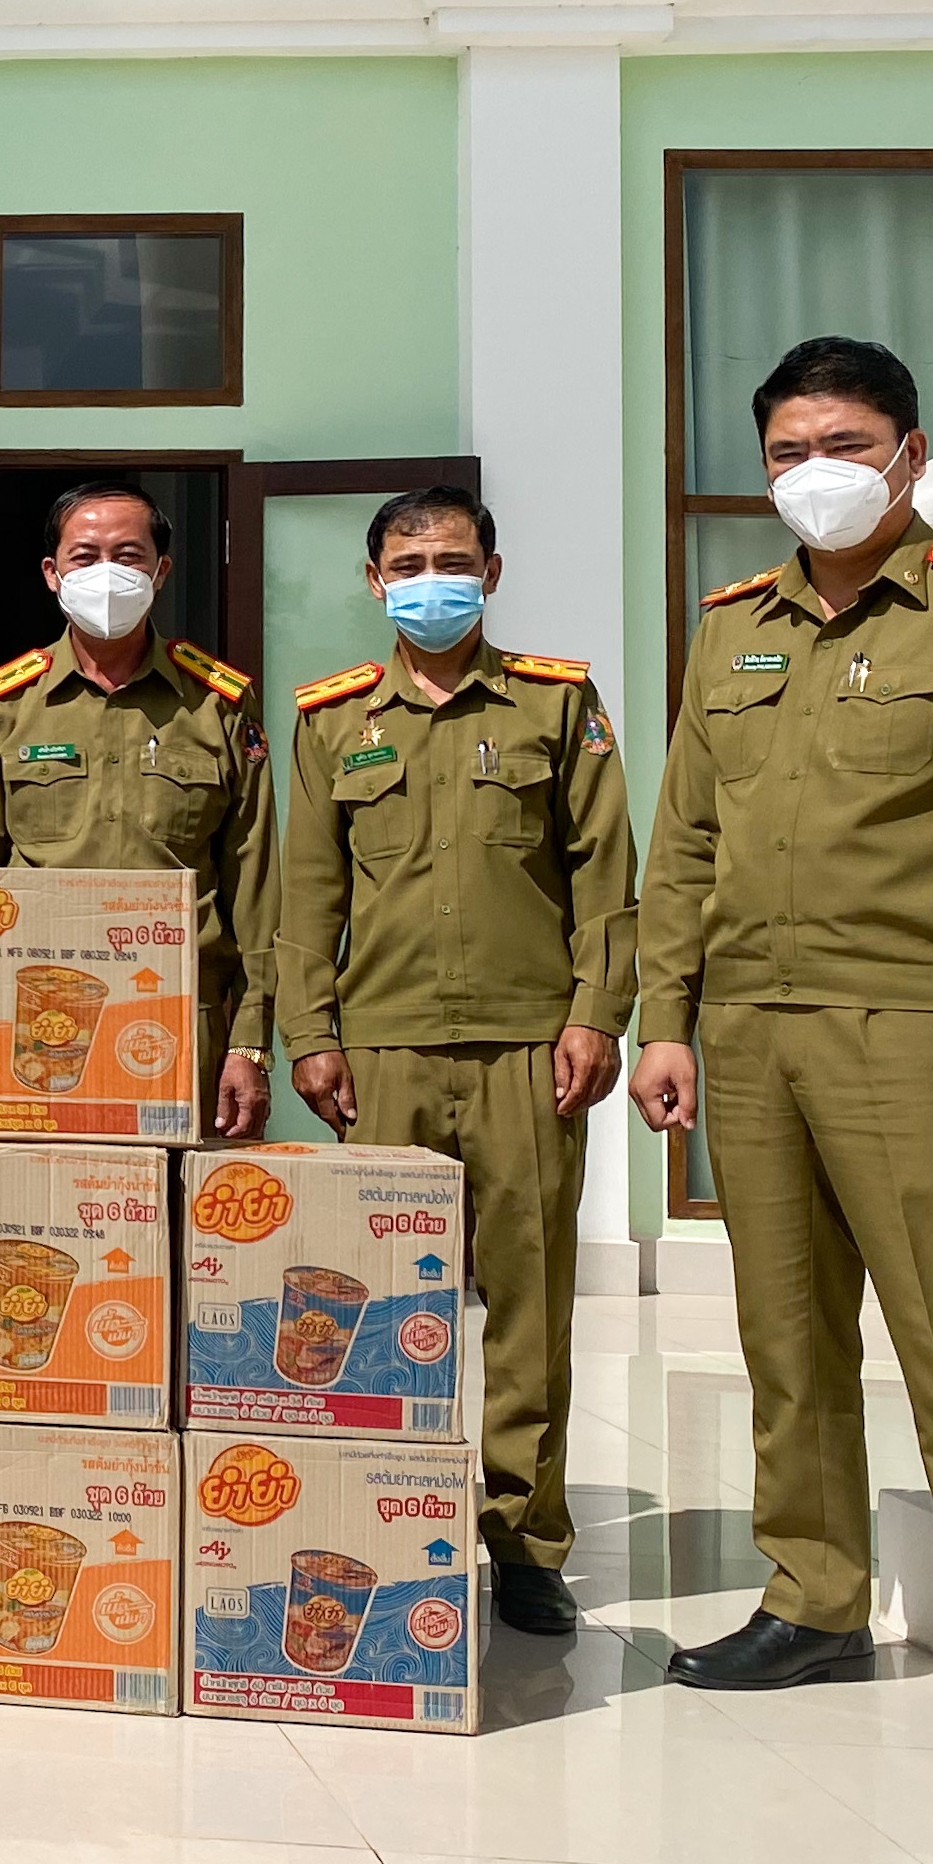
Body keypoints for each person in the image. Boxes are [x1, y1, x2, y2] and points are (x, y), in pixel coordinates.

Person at [628, 335, 933, 1764]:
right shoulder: (733, 626)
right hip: (750, 1029)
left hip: (913, 1023)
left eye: (845, 445)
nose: (814, 472)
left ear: (910, 454)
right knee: (785, 1336)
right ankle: (813, 1597)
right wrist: (663, 1013)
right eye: (788, 451)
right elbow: (684, 837)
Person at [276, 485, 636, 1638]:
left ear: (492, 572)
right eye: (409, 563)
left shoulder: (556, 704)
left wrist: (598, 1014)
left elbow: (604, 876)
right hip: (382, 1050)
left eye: (454, 560)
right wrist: (310, 1034)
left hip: (530, 1048)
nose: (432, 580)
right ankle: (387, 1523)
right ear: (375, 582)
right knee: (383, 1308)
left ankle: (524, 1542)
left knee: (529, 1304)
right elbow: (307, 894)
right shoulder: (333, 720)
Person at [0, 478, 275, 1138]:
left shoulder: (217, 705)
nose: (105, 572)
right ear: (52, 574)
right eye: (85, 556)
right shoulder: (2, 708)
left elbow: (256, 887)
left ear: (161, 572)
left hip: (180, 1019)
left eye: (127, 556)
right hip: (36, 1024)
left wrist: (250, 1043)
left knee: (177, 1198)